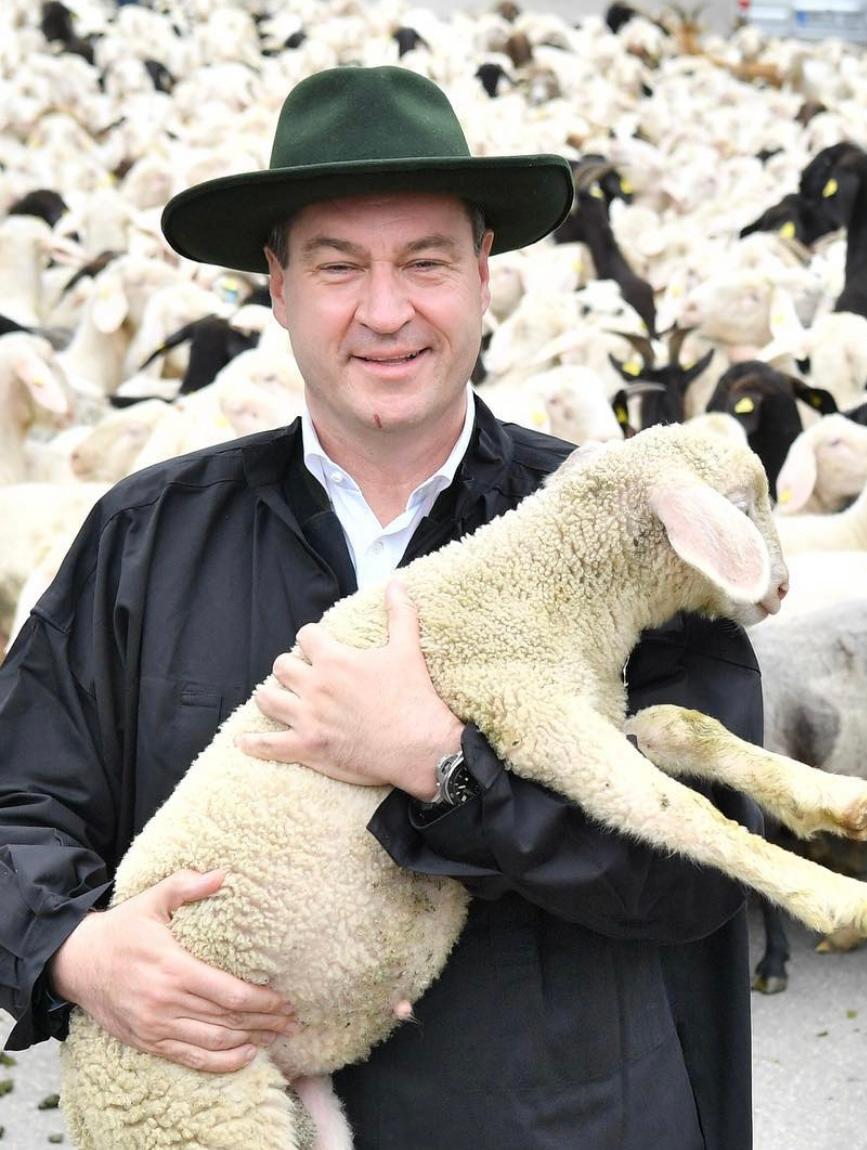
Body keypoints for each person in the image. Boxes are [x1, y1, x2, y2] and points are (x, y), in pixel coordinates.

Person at [0, 66, 764, 1149]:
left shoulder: (625, 532)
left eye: (426, 262)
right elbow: (12, 797)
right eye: (338, 266)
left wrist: (449, 768)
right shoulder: (148, 539)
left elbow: (705, 862)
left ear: (485, 275)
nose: (387, 310)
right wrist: (76, 948)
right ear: (276, 285)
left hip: (556, 1124)